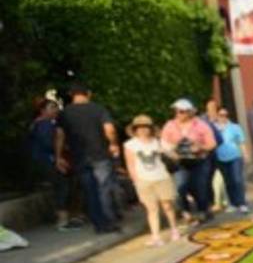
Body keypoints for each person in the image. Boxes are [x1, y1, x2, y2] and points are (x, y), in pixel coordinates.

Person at [56, 83, 121, 233]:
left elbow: (60, 135)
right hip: (100, 154)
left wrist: (59, 156)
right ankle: (109, 222)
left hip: (79, 156)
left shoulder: (65, 113)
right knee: (103, 188)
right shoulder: (98, 109)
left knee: (90, 190)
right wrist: (113, 144)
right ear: (88, 93)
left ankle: (98, 224)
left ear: (72, 95)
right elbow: (109, 129)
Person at [122, 115, 180, 246]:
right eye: (139, 128)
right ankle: (156, 236)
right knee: (151, 209)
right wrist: (135, 180)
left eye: (146, 127)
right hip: (143, 180)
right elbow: (130, 164)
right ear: (135, 130)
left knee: (167, 206)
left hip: (162, 177)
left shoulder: (158, 141)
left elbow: (175, 156)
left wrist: (165, 151)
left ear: (151, 129)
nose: (143, 130)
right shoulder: (130, 145)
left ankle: (174, 229)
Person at [161, 98, 216, 224]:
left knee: (199, 187)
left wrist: (200, 146)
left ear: (190, 112)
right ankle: (186, 211)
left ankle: (203, 210)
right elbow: (163, 143)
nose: (178, 114)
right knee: (180, 187)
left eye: (181, 111)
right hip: (180, 162)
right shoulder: (170, 125)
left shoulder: (201, 125)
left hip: (199, 161)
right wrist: (171, 151)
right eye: (176, 111)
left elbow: (212, 144)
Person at [28, 99, 78, 230]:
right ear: (42, 110)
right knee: (62, 186)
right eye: (52, 107)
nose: (55, 110)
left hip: (45, 160)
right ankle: (62, 220)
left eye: (56, 107)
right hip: (47, 160)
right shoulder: (44, 124)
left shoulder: (41, 124)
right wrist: (60, 154)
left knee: (61, 186)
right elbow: (48, 143)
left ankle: (64, 217)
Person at [213, 107, 249, 214]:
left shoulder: (235, 127)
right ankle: (233, 203)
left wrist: (245, 154)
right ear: (217, 115)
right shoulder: (214, 128)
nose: (223, 117)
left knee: (237, 180)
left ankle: (242, 203)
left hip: (235, 157)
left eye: (225, 115)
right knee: (228, 181)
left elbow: (241, 141)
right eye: (221, 115)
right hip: (220, 158)